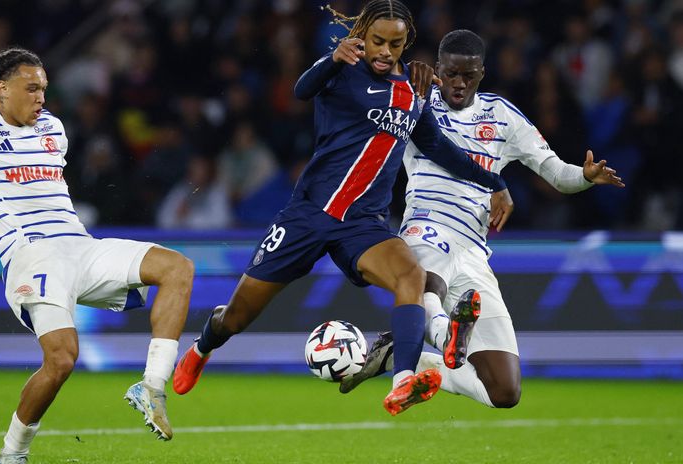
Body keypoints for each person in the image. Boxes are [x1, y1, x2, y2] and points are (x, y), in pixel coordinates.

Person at [171, 0, 512, 416]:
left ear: (407, 43)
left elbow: (439, 146)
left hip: (362, 225)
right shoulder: (342, 70)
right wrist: (331, 59)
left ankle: (403, 379)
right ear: (363, 36)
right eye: (378, 41)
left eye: (396, 43)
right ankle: (203, 346)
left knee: (411, 275)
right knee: (238, 316)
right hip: (308, 216)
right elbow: (302, 90)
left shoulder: (414, 93)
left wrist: (494, 182)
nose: (385, 51)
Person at [0, 48, 194, 463]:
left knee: (177, 267)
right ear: (3, 88)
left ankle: (151, 386)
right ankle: (13, 454)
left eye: (44, 89)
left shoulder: (53, 127)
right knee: (63, 359)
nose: (41, 98)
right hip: (32, 256)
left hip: (80, 246)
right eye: (32, 88)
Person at [340, 29, 624, 408]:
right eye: (452, 73)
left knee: (504, 392)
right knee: (425, 282)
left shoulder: (503, 116)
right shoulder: (415, 101)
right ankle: (445, 337)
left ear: (482, 73)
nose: (459, 84)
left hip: (474, 252)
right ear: (439, 68)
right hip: (426, 226)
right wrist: (363, 62)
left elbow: (556, 173)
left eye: (468, 76)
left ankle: (399, 356)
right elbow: (368, 92)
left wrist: (585, 177)